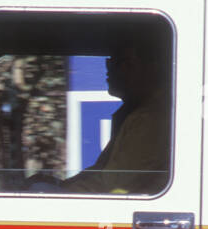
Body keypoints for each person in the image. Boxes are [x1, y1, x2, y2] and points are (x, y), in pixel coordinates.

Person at [28, 40, 170, 195]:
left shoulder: (151, 120)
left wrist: (56, 194)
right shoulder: (138, 115)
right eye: (109, 62)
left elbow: (111, 186)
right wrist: (59, 185)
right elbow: (100, 172)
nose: (109, 69)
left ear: (151, 68)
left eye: (122, 62)